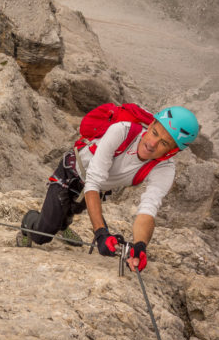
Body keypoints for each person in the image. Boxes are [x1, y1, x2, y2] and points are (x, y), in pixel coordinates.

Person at [17, 106, 199, 272]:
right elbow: (93, 182)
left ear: (173, 151)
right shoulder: (122, 131)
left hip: (95, 188)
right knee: (44, 234)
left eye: (164, 143)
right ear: (151, 123)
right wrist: (101, 234)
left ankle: (63, 225)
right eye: (154, 132)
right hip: (70, 174)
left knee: (70, 211)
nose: (152, 143)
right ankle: (27, 223)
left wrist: (140, 246)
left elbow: (148, 209)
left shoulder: (164, 169)